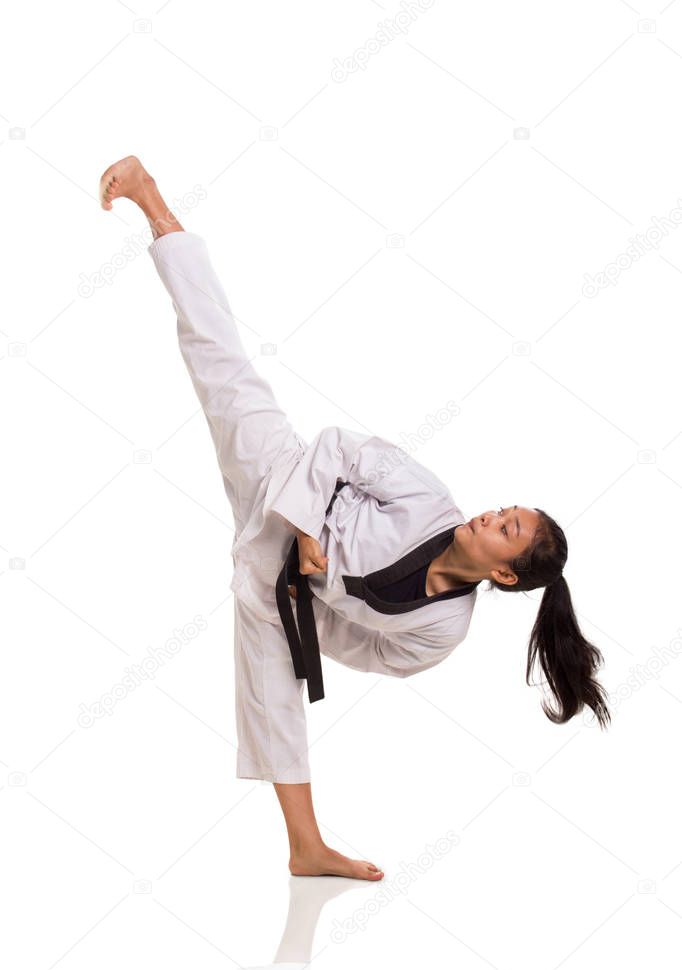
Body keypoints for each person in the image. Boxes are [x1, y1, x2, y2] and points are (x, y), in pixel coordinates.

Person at [98, 156, 611, 881]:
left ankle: (305, 847)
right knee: (217, 355)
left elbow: (367, 648)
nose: (494, 512)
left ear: (502, 570)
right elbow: (337, 449)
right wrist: (309, 531)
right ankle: (154, 202)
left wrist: (306, 600)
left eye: (508, 527)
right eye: (507, 508)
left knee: (276, 703)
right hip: (279, 479)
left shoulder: (442, 631)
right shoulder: (432, 500)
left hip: (281, 594)